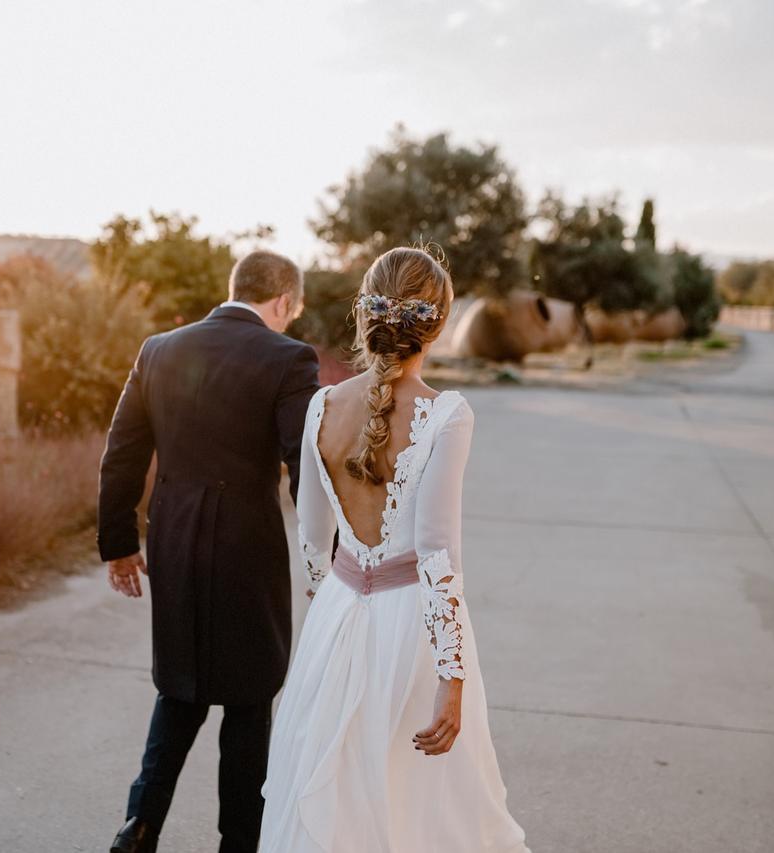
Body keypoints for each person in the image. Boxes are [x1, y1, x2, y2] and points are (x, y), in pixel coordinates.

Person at [260, 247, 531, 852]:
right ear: (436, 324)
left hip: (338, 619)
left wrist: (335, 602)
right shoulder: (446, 415)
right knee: (421, 807)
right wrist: (452, 675)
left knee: (336, 795)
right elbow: (437, 555)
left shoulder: (320, 407)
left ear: (364, 316)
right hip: (412, 634)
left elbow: (310, 538)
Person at [98, 250, 320, 853]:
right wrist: (322, 556)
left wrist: (119, 544)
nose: (290, 321)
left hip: (172, 541)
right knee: (249, 700)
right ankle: (237, 844)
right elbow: (305, 462)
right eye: (292, 311)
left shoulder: (159, 349)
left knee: (181, 687)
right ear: (281, 302)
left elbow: (122, 453)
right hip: (247, 549)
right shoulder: (289, 358)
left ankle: (139, 827)